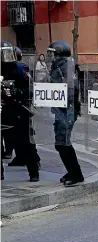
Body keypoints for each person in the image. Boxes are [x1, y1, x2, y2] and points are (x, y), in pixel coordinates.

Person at [1, 41, 41, 181]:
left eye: (7, 53)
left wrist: (14, 91)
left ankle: (33, 172)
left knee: (25, 142)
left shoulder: (19, 69)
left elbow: (30, 89)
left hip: (18, 109)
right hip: (2, 109)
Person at [46, 40, 84, 186]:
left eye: (52, 54)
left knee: (63, 143)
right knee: (60, 143)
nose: (50, 57)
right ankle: (74, 171)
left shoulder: (66, 67)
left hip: (66, 110)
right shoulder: (59, 66)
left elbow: (71, 89)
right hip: (60, 109)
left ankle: (75, 174)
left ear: (59, 54)